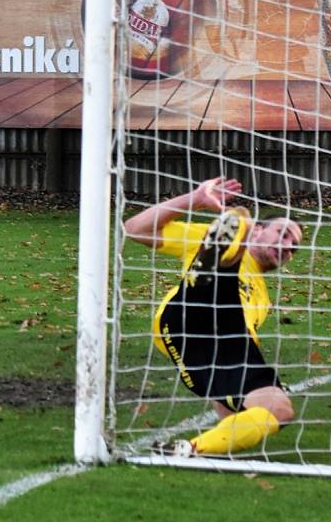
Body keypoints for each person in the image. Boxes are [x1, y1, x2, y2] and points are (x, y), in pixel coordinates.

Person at [124, 176, 303, 457]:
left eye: (293, 246)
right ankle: (216, 269)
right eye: (283, 233)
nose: (288, 245)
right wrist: (195, 199)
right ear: (258, 231)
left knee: (279, 409)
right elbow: (134, 229)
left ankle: (191, 449)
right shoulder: (211, 232)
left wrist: (232, 420)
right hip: (187, 318)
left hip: (216, 345)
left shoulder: (262, 299)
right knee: (228, 253)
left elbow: (235, 359)